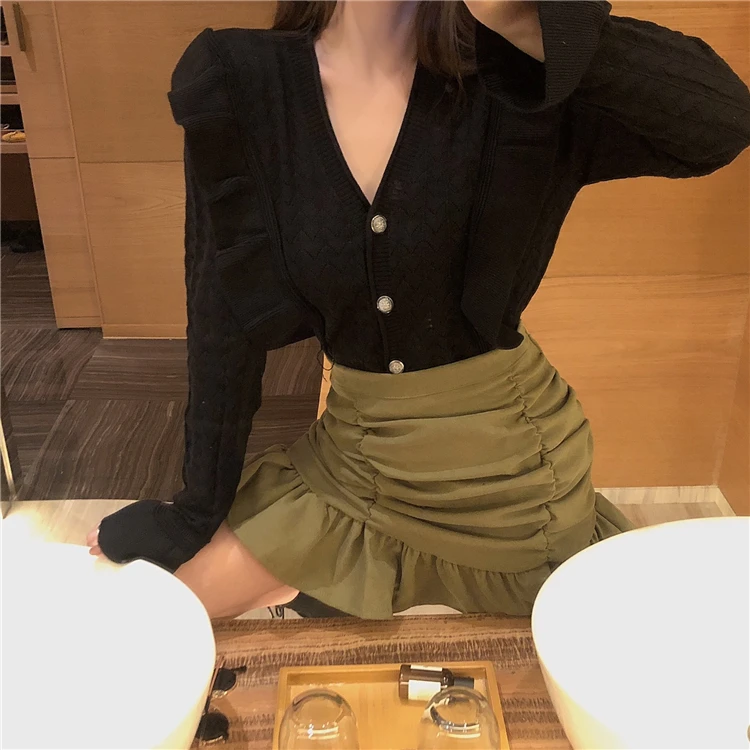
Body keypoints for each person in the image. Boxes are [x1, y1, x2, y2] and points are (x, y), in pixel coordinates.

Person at [88, 1, 750, 619]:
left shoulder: (523, 78)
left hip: (508, 479)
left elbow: (721, 122)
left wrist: (527, 21)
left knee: (537, 677)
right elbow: (220, 324)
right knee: (156, 623)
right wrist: (193, 511)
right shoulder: (242, 84)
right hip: (358, 456)